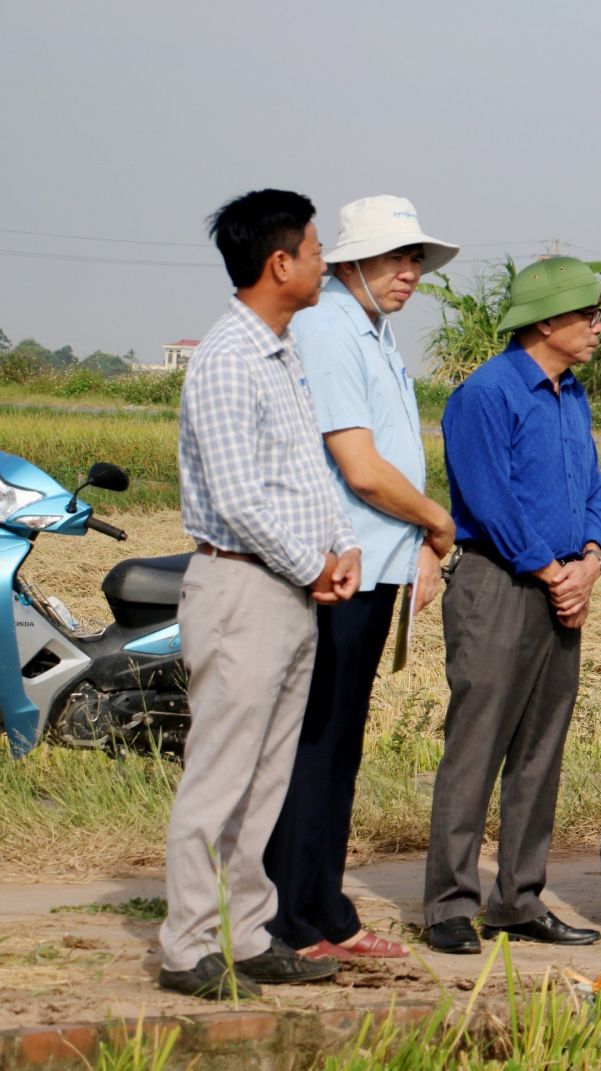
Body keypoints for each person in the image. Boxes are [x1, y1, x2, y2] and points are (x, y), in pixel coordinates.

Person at [160, 189, 359, 999]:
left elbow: (307, 475)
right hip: (243, 585)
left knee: (266, 776)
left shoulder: (282, 353)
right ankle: (186, 945)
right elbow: (241, 499)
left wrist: (339, 543)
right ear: (279, 264)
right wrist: (313, 562)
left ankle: (246, 933)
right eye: (315, 251)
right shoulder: (228, 358)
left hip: (287, 587)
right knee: (220, 776)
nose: (322, 264)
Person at [260, 196, 458, 963]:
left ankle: (322, 904)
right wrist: (437, 523)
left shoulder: (373, 331)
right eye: (393, 259)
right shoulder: (330, 327)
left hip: (373, 567)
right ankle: (293, 916)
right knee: (315, 743)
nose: (409, 274)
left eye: (415, 261)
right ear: (350, 264)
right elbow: (362, 469)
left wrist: (421, 543)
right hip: (336, 569)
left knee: (339, 744)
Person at [423, 257, 601, 954]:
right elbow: (488, 498)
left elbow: (593, 488)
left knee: (541, 750)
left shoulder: (574, 395)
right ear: (545, 320)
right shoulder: (487, 392)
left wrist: (591, 559)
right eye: (587, 315)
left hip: (564, 587)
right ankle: (448, 903)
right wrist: (550, 569)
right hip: (499, 584)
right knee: (478, 745)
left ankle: (519, 898)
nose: (599, 327)